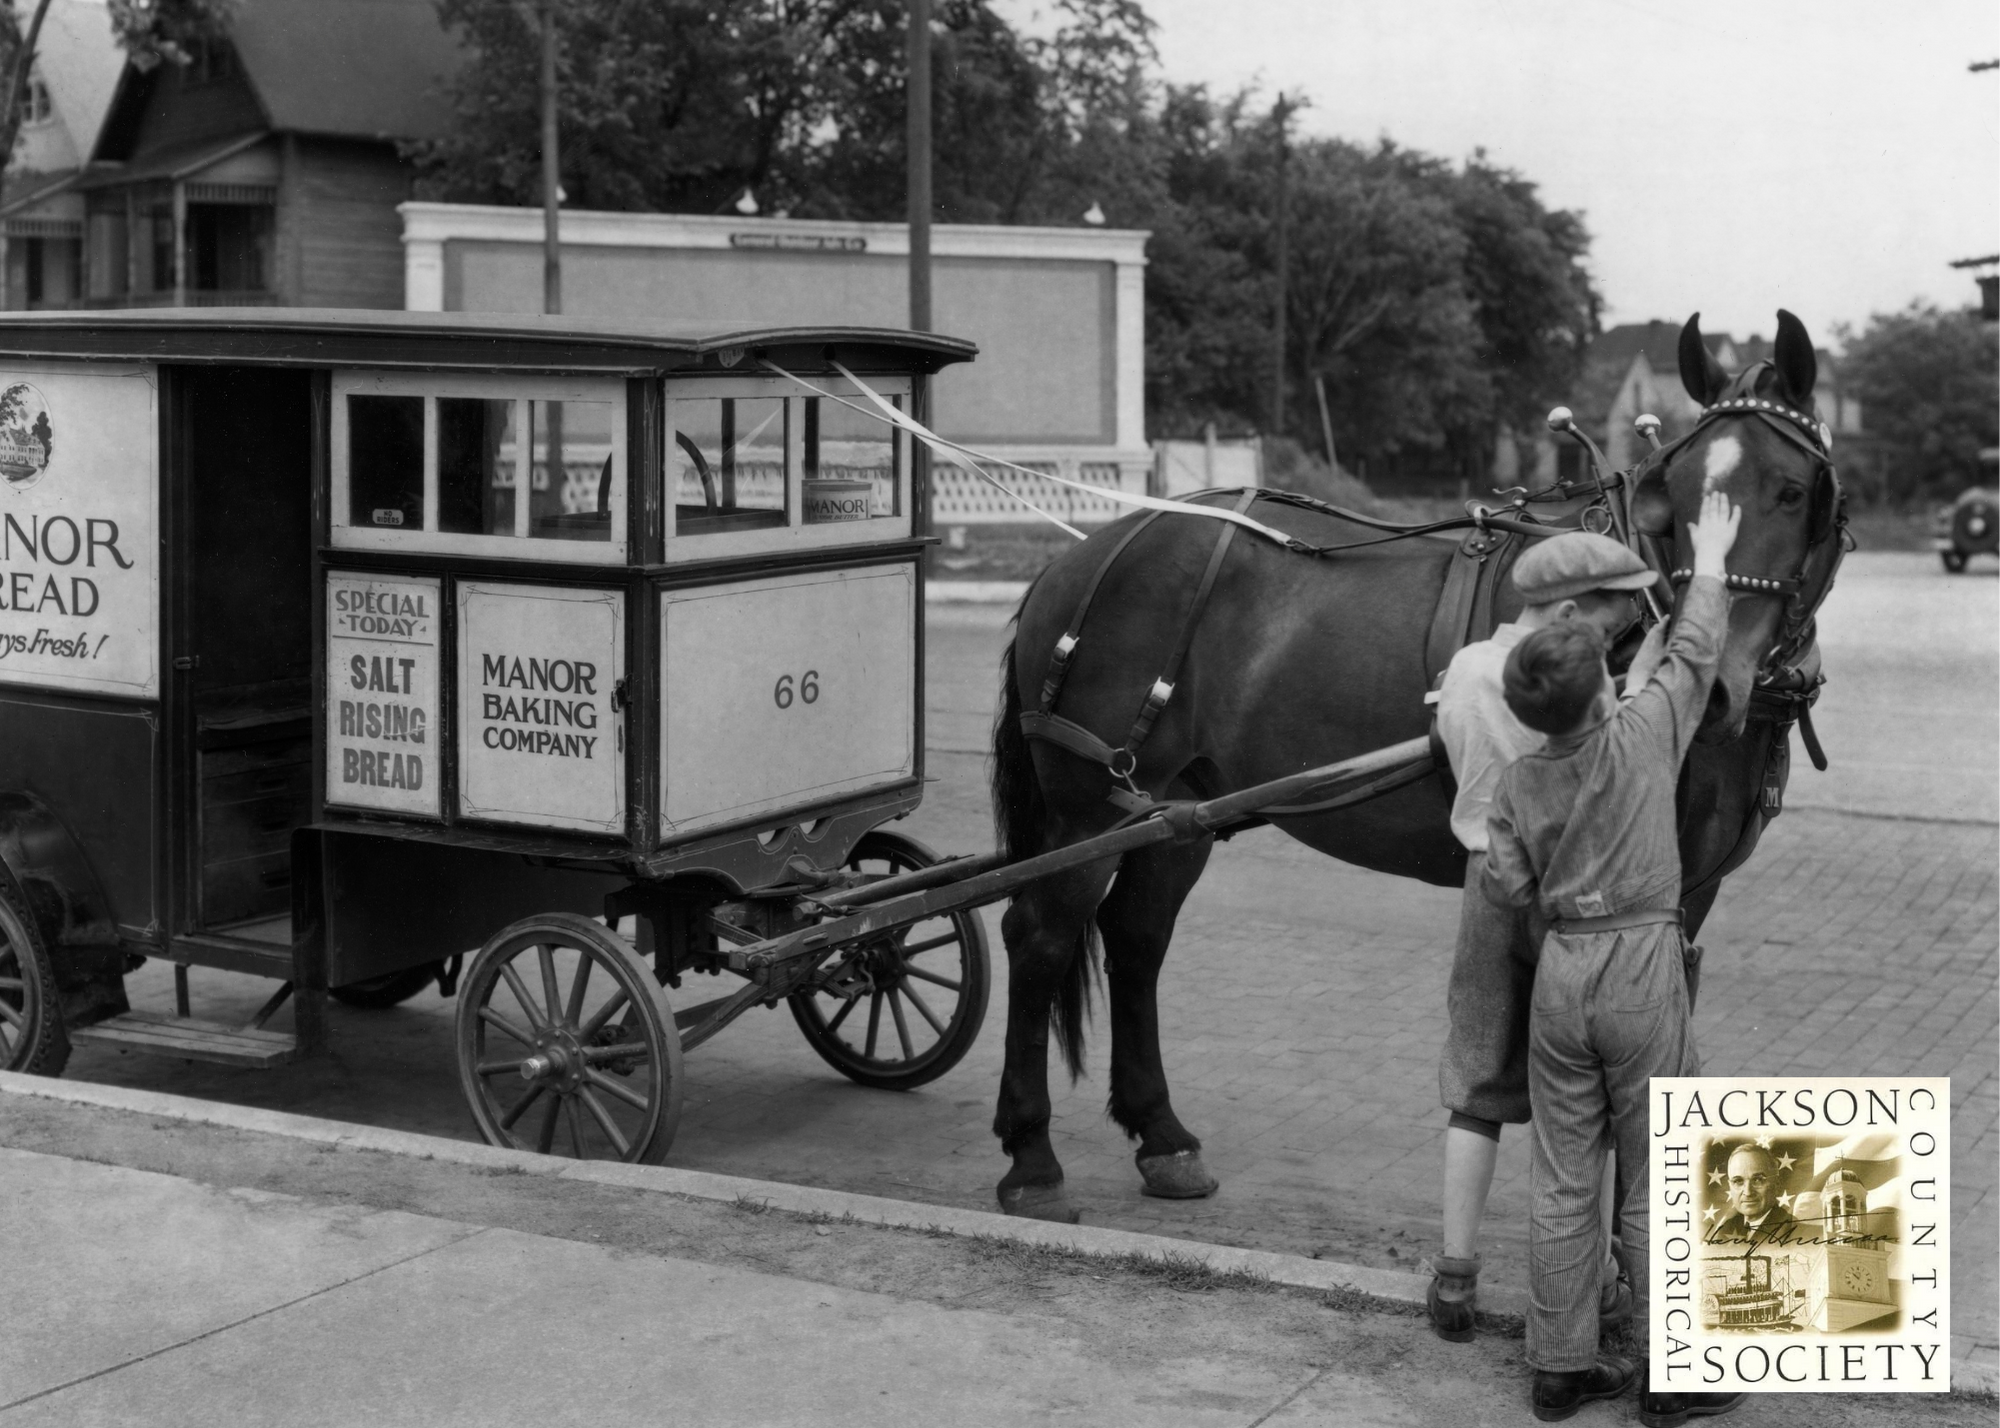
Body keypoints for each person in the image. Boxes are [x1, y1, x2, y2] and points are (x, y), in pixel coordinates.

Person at [1484, 490, 1748, 1428]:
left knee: (1564, 1173)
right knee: (1660, 1168)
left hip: (1562, 969)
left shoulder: (1519, 778)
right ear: (1604, 689)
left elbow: (1510, 886)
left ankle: (1560, 1370)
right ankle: (1674, 1376)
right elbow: (1694, 653)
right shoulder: (1642, 736)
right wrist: (1710, 559)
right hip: (1639, 961)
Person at [1426, 530, 1657, 1342]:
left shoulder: (1462, 671)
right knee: (1580, 1104)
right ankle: (1594, 1288)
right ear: (1565, 611)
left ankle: (1454, 1274)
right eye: (1611, 617)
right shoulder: (1591, 702)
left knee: (1475, 1081)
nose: (1620, 631)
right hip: (1576, 907)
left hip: (1488, 887)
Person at [1708, 1143, 1801, 1248]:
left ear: (1776, 1184)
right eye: (1738, 1181)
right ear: (1730, 1186)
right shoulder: (1726, 1228)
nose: (1748, 1192)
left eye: (1757, 1180)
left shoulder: (1794, 1232)